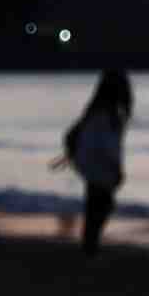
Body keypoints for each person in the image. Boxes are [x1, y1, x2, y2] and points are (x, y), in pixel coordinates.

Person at [58, 69, 132, 256]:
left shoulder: (98, 111)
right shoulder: (107, 114)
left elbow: (98, 141)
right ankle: (89, 249)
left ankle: (90, 248)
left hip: (93, 166)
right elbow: (108, 145)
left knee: (97, 207)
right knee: (100, 208)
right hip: (101, 167)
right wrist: (116, 168)